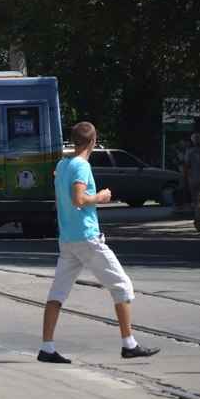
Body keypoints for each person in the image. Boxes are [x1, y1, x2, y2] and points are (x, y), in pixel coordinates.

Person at [39, 121, 159, 363]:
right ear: (93, 141)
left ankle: (47, 347)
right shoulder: (81, 166)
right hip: (87, 238)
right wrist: (102, 197)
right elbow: (79, 199)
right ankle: (129, 344)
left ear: (74, 141)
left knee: (57, 294)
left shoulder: (62, 165)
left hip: (67, 239)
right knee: (122, 286)